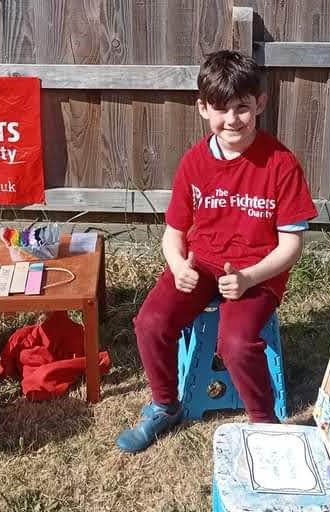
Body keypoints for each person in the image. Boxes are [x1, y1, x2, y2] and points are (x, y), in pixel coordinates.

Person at [116, 50, 317, 453]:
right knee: (151, 323)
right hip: (201, 262)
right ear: (202, 108)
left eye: (242, 108)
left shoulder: (281, 164)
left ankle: (265, 424)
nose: (232, 120)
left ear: (260, 103)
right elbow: (173, 233)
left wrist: (248, 278)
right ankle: (165, 404)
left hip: (257, 272)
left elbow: (292, 244)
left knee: (236, 342)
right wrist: (178, 266)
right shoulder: (194, 161)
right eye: (221, 109)